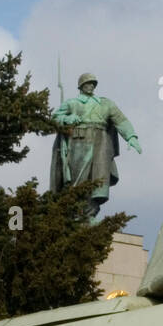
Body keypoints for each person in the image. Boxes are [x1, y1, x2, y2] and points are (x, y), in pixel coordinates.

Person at [49, 73, 142, 219]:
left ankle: (89, 214)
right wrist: (67, 118)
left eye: (93, 83)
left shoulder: (106, 104)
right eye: (88, 83)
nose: (91, 86)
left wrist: (131, 137)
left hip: (101, 144)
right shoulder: (72, 103)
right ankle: (75, 214)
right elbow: (54, 119)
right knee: (78, 179)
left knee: (97, 180)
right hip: (78, 141)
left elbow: (121, 120)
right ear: (81, 86)